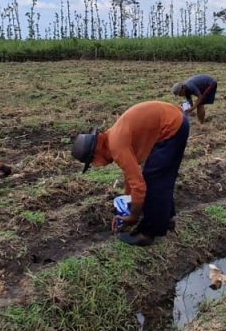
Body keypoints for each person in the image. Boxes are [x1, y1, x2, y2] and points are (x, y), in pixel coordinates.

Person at [71, 101, 190, 247]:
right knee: (161, 178)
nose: (96, 165)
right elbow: (130, 175)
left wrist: (133, 216)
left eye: (92, 162)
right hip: (174, 120)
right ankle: (166, 220)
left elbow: (139, 186)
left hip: (172, 126)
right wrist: (129, 201)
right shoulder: (112, 138)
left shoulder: (116, 146)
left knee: (155, 181)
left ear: (96, 154)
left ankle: (147, 234)